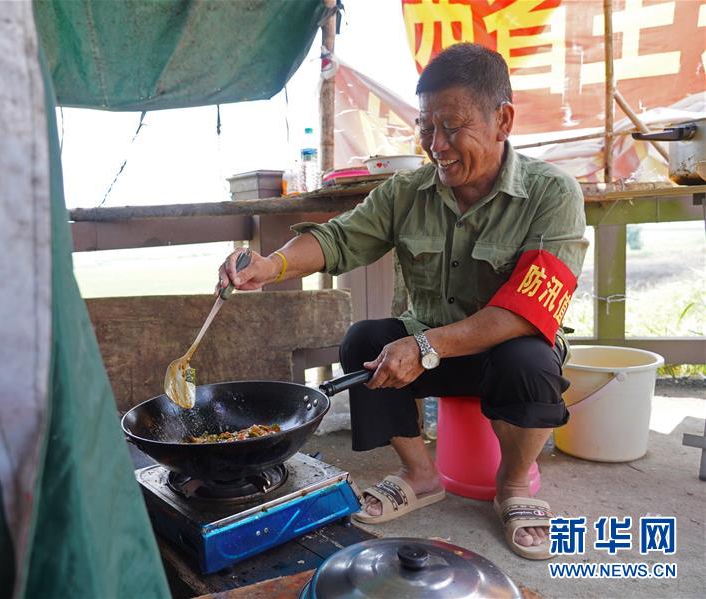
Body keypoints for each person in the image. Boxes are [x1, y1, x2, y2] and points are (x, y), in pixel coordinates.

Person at [217, 43, 587, 561]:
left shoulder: (553, 193)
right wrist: (269, 265)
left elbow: (527, 310)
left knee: (527, 359)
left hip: (503, 354)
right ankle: (420, 473)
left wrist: (425, 345)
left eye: (453, 127)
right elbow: (339, 239)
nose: (437, 145)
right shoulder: (407, 191)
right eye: (426, 127)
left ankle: (514, 485)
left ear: (502, 120)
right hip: (427, 350)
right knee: (365, 341)